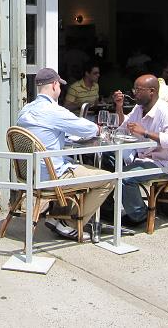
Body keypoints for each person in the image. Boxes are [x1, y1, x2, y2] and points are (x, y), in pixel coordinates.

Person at [16, 67, 113, 241]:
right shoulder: (54, 111)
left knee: (73, 164)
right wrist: (99, 129)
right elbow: (86, 128)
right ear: (54, 85)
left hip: (30, 173)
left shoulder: (26, 109)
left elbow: (46, 132)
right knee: (109, 179)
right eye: (59, 86)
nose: (60, 89)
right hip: (51, 177)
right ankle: (69, 224)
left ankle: (56, 218)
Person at [111, 75, 168, 225]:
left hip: (162, 162)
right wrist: (119, 107)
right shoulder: (139, 108)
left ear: (152, 91)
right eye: (134, 89)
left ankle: (139, 215)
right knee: (108, 160)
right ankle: (108, 210)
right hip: (141, 156)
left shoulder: (164, 111)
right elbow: (123, 128)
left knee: (124, 177)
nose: (134, 93)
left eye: (138, 90)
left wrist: (145, 132)